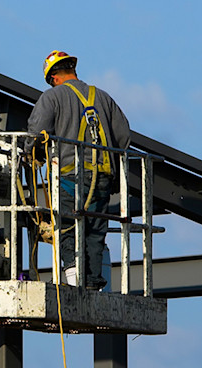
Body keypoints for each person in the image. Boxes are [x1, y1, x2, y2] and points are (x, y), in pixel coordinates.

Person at [24, 50, 131, 290]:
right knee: (94, 230)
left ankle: (74, 282)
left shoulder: (52, 97)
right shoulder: (103, 97)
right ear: (72, 69)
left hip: (70, 176)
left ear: (53, 77)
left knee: (68, 227)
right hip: (103, 175)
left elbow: (36, 132)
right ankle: (92, 283)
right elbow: (123, 136)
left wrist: (32, 153)